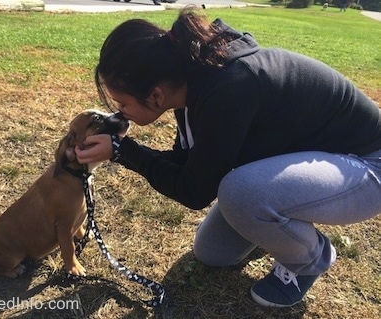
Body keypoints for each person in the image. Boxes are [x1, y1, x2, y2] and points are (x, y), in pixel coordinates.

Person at [75, 8, 381, 308]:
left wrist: (122, 151)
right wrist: (122, 152)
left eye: (123, 104)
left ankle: (311, 258)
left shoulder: (227, 88)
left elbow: (194, 191)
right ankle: (284, 221)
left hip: (366, 164)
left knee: (239, 192)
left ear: (155, 95)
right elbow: (188, 163)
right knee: (213, 252)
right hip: (312, 158)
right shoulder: (192, 81)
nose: (120, 113)